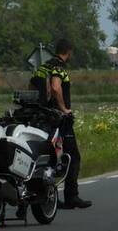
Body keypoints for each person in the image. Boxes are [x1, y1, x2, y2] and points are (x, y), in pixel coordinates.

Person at [30, 38, 91, 209]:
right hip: (58, 119)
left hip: (40, 117)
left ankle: (48, 195)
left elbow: (32, 87)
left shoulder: (42, 67)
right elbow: (56, 87)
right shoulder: (59, 67)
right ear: (68, 51)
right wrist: (64, 109)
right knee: (73, 156)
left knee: (47, 156)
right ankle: (72, 196)